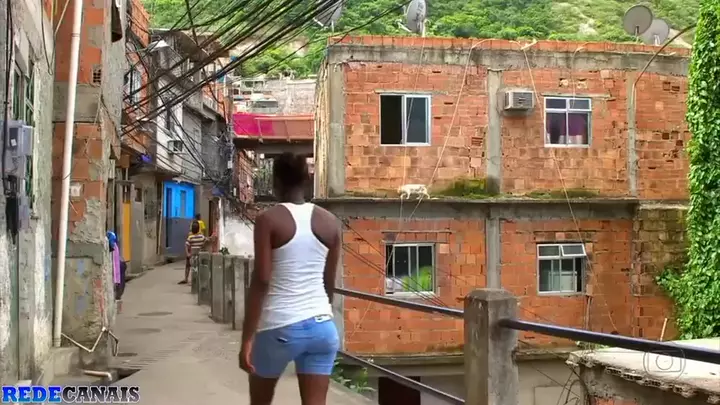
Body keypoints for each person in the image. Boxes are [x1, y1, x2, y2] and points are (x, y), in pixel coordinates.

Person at [239, 152, 341, 405]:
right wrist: (318, 312)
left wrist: (247, 339)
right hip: (322, 327)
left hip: (279, 326)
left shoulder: (268, 219)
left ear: (276, 182)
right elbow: (329, 283)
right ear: (307, 179)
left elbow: (262, 280)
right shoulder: (331, 222)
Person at [179, 220, 207, 285]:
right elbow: (206, 241)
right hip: (199, 256)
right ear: (198, 229)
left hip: (192, 256)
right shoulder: (202, 237)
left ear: (192, 230)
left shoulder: (190, 237)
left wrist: (187, 254)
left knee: (188, 264)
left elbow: (186, 245)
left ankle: (186, 278)